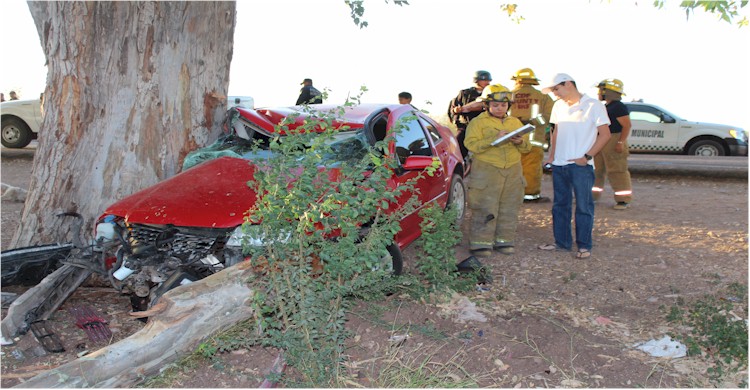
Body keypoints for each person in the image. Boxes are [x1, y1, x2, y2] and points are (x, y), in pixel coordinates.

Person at [538, 73, 611, 259]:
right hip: (559, 165)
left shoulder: (594, 106)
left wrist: (586, 157)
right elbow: (555, 133)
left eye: (556, 89)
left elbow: (605, 134)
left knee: (584, 206)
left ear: (568, 84)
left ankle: (584, 246)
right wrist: (551, 157)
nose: (555, 94)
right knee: (559, 205)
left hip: (581, 167)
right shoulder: (558, 106)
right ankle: (562, 243)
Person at [464, 84, 531, 257]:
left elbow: (527, 148)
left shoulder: (514, 122)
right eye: (495, 105)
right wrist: (494, 138)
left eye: (503, 105)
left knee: (509, 206)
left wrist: (519, 142)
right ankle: (481, 244)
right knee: (485, 206)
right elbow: (471, 145)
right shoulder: (478, 122)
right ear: (487, 105)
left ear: (508, 105)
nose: (499, 108)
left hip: (513, 170)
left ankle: (504, 241)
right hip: (487, 169)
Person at [510, 68, 554, 203]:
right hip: (534, 141)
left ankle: (511, 196)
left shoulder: (508, 95)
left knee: (511, 168)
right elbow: (549, 117)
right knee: (532, 169)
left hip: (511, 139)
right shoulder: (543, 97)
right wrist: (532, 122)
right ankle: (530, 196)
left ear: (517, 80)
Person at [593, 78, 633, 210]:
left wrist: (620, 142)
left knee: (617, 171)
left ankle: (623, 200)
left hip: (614, 139)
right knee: (597, 170)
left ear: (608, 91)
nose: (599, 92)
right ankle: (592, 197)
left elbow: (626, 126)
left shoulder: (618, 107)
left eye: (601, 90)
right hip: (602, 140)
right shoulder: (606, 107)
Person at [448, 70, 492, 163]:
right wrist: (457, 110)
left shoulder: (492, 94)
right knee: (457, 146)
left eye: (488, 80)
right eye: (484, 80)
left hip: (486, 127)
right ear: (477, 80)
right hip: (467, 126)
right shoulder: (465, 93)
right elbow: (453, 109)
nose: (487, 82)